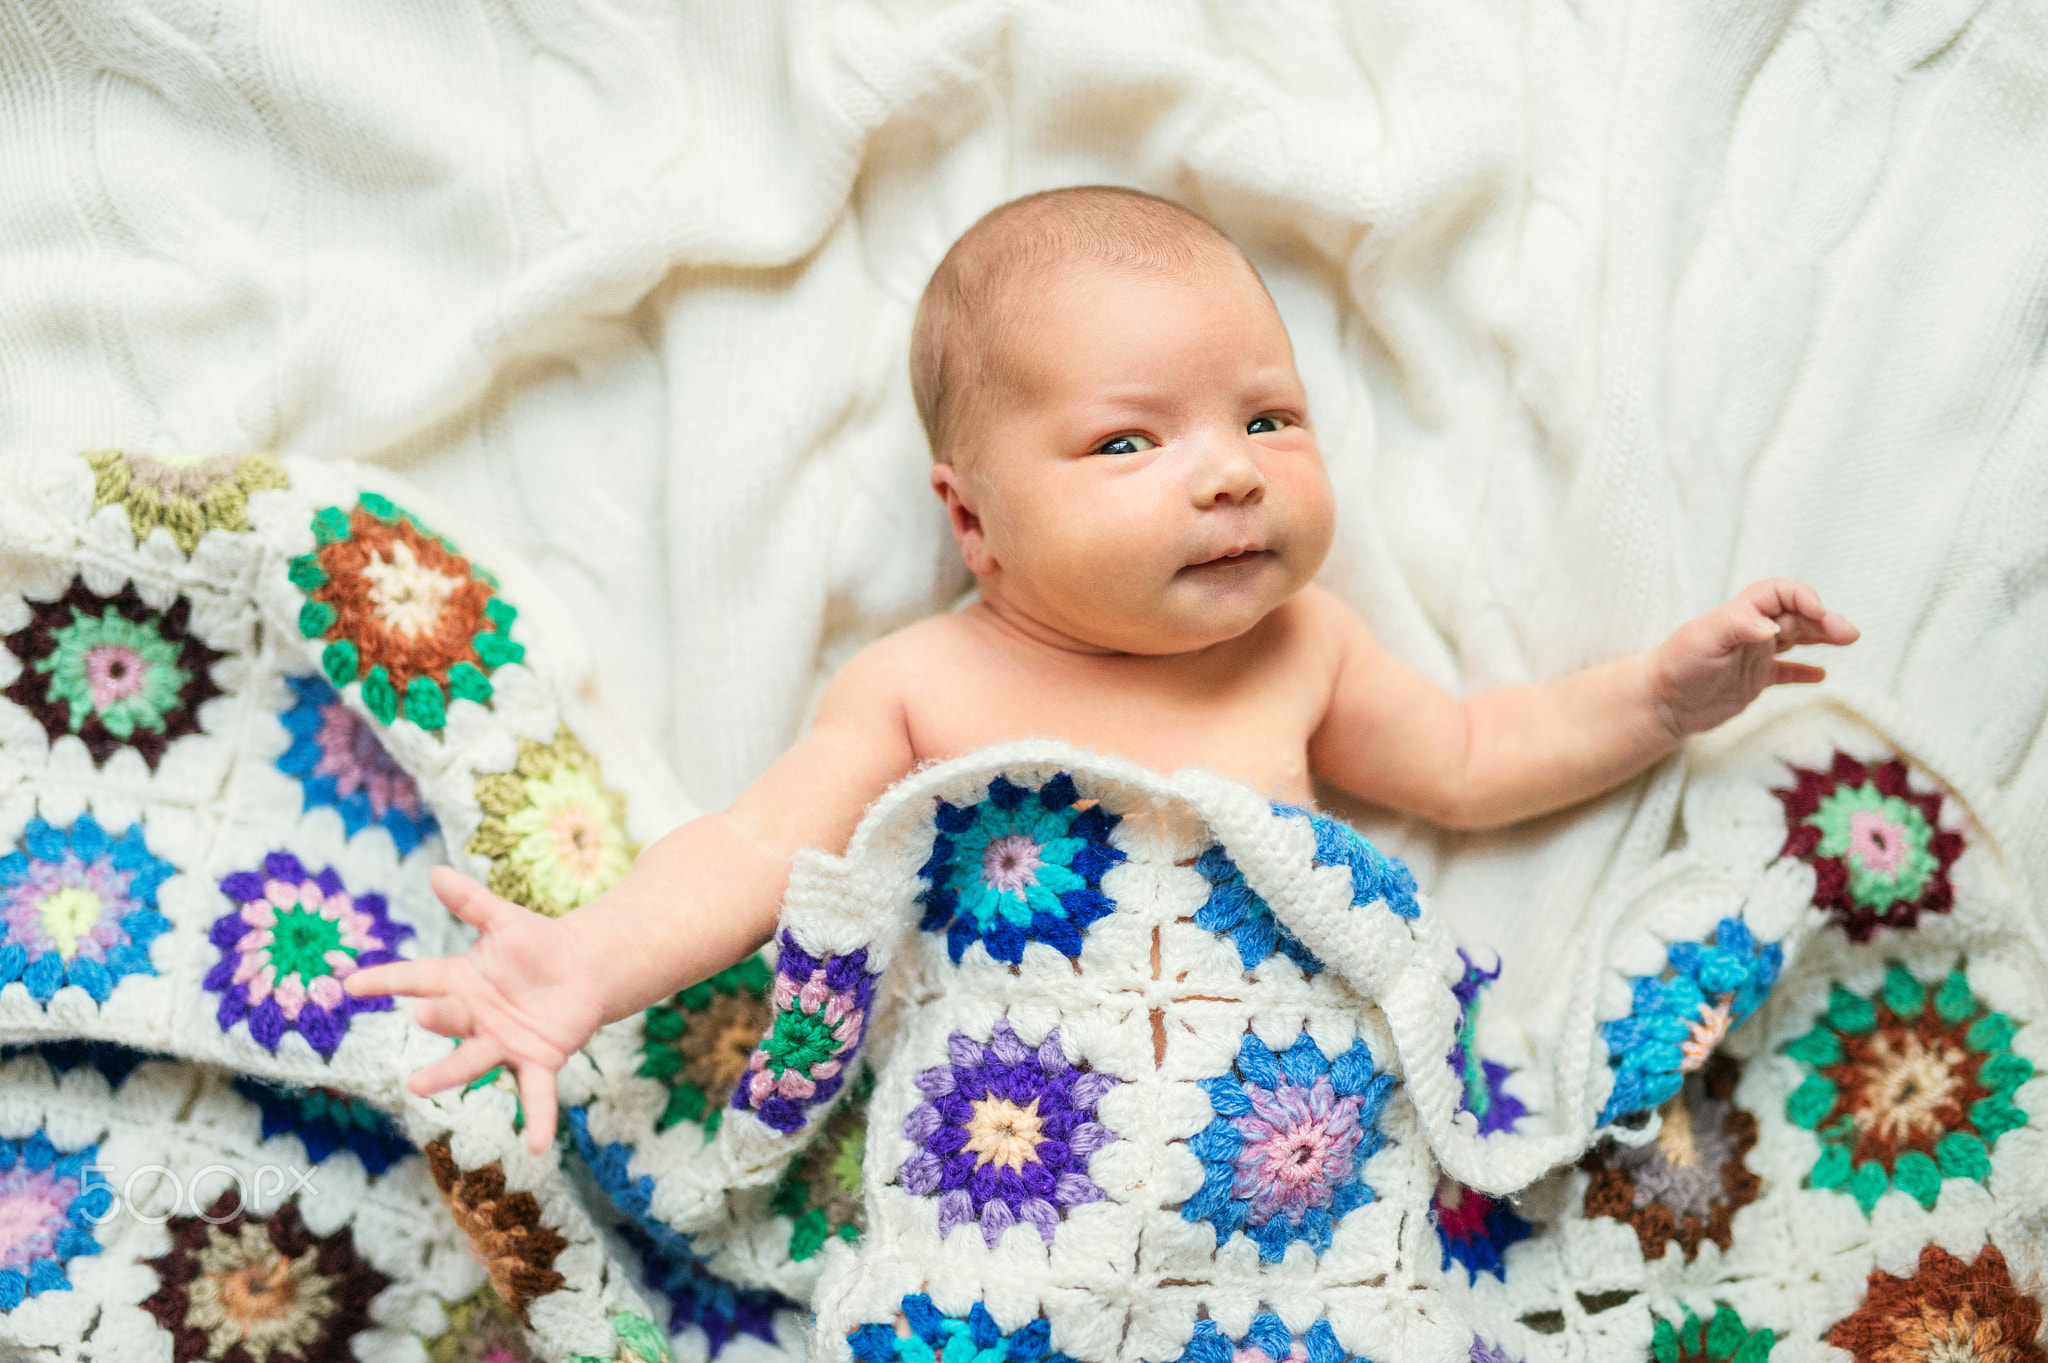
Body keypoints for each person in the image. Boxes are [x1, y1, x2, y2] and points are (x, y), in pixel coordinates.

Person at [346, 187, 1858, 1153]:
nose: (1229, 477)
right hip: (1012, 1143)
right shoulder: (917, 686)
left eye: (1268, 419)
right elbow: (757, 850)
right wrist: (585, 964)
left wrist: (1662, 697)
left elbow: (1469, 759)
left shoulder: (1306, 648)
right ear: (973, 519)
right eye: (1130, 442)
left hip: (1298, 1136)